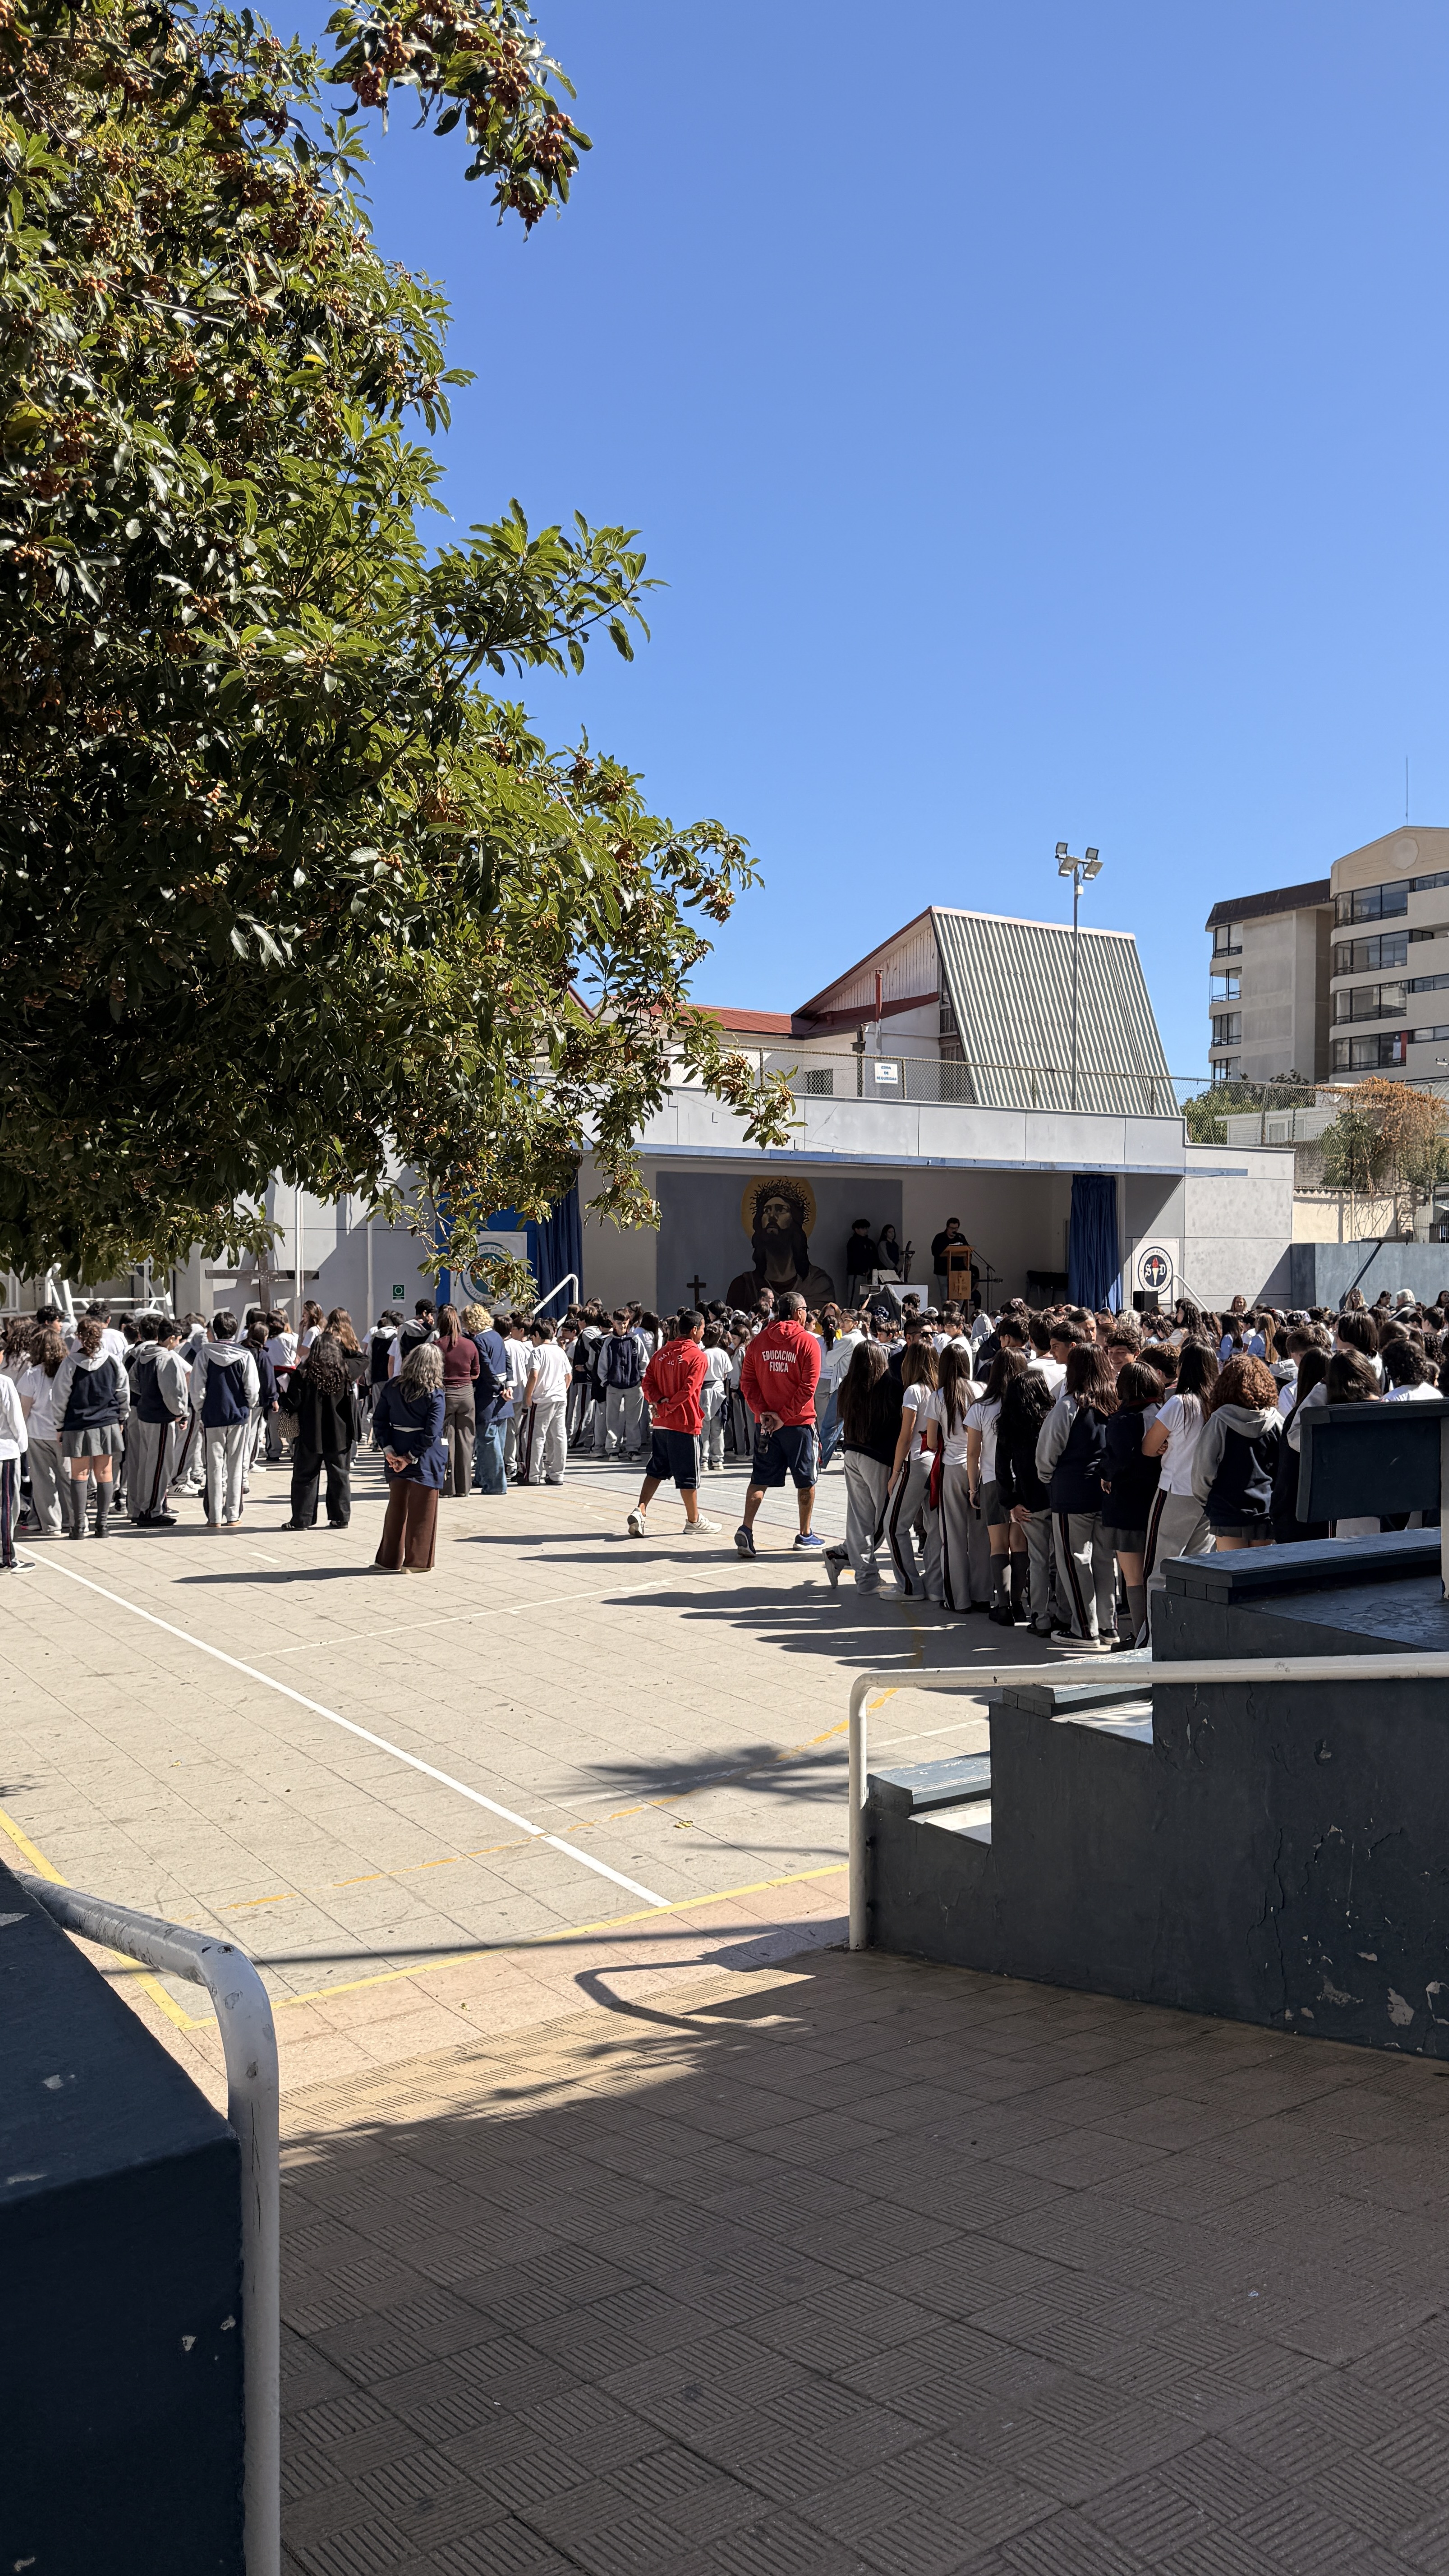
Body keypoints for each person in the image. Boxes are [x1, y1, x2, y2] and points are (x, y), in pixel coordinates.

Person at [1036, 1342, 1118, 1651]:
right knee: (1104, 1561)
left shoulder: (1069, 1405)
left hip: (1072, 1491)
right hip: (1106, 1492)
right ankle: (1108, 1626)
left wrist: (1047, 1478)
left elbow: (1047, 1452)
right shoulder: (1115, 1404)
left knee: (1075, 1561)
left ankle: (1085, 1629)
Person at [736, 1290, 823, 1556]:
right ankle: (805, 1534)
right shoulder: (807, 1342)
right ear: (798, 1313)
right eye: (805, 1309)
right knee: (806, 1481)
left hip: (766, 1424)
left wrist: (763, 1412)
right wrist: (784, 1416)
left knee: (760, 1479)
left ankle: (747, 1528)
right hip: (799, 1424)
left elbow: (747, 1382)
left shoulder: (758, 1341)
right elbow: (808, 1387)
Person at [628, 1311, 720, 1536]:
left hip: (661, 1422)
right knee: (688, 1476)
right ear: (694, 1330)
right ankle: (693, 1520)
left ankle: (641, 1510)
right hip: (684, 1422)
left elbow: (647, 1382)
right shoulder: (697, 1356)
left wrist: (658, 1402)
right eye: (703, 1328)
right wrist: (668, 1405)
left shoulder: (661, 1354)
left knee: (657, 1469)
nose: (704, 1332)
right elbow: (689, 1389)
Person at [1141, 1339, 1219, 1601]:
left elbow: (1148, 1448)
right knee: (1198, 1569)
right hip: (1208, 1493)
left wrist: (1163, 1446)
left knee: (1160, 1570)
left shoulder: (1179, 1403)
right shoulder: (1218, 1403)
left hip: (1175, 1491)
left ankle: (1153, 1626)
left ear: (1183, 1368)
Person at [825, 1340, 901, 1593]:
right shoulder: (890, 1386)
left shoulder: (848, 1385)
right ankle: (860, 1570)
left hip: (852, 1453)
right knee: (883, 1519)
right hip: (878, 1458)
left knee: (861, 1518)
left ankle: (850, 1562)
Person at [1100, 1360, 1164, 1648]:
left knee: (1133, 1576)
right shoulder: (1162, 1412)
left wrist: (1105, 1473)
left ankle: (1140, 1635)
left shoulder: (1123, 1420)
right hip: (1157, 1500)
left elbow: (1118, 1461)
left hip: (1126, 1504)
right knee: (1154, 1572)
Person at [1192, 1353, 1282, 1552]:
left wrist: (1208, 1504)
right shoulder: (1276, 1421)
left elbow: (1203, 1471)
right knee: (1261, 1569)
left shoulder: (1219, 1421)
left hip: (1227, 1512)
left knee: (1231, 1569)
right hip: (1266, 1510)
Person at [53, 1316, 131, 1539]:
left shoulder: (70, 1363)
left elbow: (60, 1397)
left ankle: (78, 1526)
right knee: (105, 1472)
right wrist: (122, 1418)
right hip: (107, 1422)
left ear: (79, 1337)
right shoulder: (113, 1361)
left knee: (80, 1473)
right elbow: (123, 1392)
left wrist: (59, 1425)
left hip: (77, 1423)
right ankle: (103, 1526)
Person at [372, 1341, 446, 1572]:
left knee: (397, 1507)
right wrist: (410, 1456)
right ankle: (417, 1562)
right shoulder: (435, 1393)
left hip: (395, 1448)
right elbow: (432, 1432)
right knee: (424, 1509)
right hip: (424, 1455)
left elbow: (379, 1419)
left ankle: (388, 1560)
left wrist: (389, 1450)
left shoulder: (393, 1385)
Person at [965, 1349, 1026, 1623]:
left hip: (991, 1480)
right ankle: (1019, 1603)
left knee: (998, 1545)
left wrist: (973, 1488)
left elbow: (973, 1453)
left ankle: (1003, 1606)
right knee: (1020, 1543)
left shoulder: (981, 1407)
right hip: (1022, 1482)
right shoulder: (1027, 1403)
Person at [996, 1367, 1058, 1635]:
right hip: (1056, 1498)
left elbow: (1001, 1469)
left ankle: (1040, 1617)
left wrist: (1010, 1503)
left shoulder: (1009, 1425)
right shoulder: (1052, 1419)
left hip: (1027, 1502)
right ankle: (1064, 1613)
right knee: (1062, 1559)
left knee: (1039, 1560)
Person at [189, 1311, 260, 1529]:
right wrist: (248, 1406)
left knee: (214, 1466)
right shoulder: (245, 1355)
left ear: (213, 1331)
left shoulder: (204, 1354)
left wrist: (201, 1410)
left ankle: (214, 1516)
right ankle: (233, 1514)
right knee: (236, 1465)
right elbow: (253, 1389)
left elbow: (197, 1388)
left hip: (213, 1415)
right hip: (238, 1415)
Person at [283, 1330, 357, 1530]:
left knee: (305, 1476)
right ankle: (341, 1517)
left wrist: (283, 1394)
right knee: (340, 1476)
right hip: (339, 1432)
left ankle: (302, 1520)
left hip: (310, 1432)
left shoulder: (304, 1372)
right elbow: (363, 1360)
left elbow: (292, 1403)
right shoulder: (344, 1371)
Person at [126, 1316, 191, 1526]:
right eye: (178, 1340)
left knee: (147, 1464)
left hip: (146, 1413)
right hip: (161, 1417)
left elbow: (132, 1380)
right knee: (160, 1466)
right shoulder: (167, 1358)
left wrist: (146, 1395)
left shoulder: (144, 1354)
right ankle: (151, 1511)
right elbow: (173, 1392)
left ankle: (143, 1507)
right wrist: (180, 1412)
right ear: (171, 1338)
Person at [17, 1323, 68, 1541]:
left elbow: (24, 1410)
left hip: (38, 1434)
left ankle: (52, 1524)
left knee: (44, 1482)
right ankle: (72, 1519)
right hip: (66, 1433)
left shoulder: (32, 1375)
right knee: (69, 1478)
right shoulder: (70, 1371)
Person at [465, 1304, 511, 1495]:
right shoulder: (496, 1336)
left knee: (489, 1445)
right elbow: (507, 1361)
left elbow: (485, 1368)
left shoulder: (479, 1341)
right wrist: (509, 1385)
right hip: (502, 1399)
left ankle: (495, 1485)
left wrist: (500, 1388)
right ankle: (482, 1478)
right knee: (496, 1442)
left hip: (487, 1399)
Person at [434, 1304, 480, 1497]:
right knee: (466, 1441)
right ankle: (464, 1487)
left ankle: (447, 1487)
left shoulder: (437, 1345)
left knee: (446, 1440)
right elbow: (476, 1374)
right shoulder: (470, 1345)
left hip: (445, 1394)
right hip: (467, 1394)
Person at [520, 1317, 570, 1484]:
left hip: (542, 1400)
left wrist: (528, 1397)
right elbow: (568, 1376)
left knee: (536, 1437)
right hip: (560, 1397)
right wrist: (562, 1391)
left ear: (536, 1335)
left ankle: (533, 1475)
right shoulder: (560, 1351)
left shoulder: (538, 1352)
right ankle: (557, 1474)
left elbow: (534, 1375)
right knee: (559, 1436)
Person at [593, 1308, 648, 1458]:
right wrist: (605, 1381)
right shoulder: (609, 1342)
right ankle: (613, 1449)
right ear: (613, 1322)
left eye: (624, 1323)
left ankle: (633, 1448)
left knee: (633, 1419)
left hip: (634, 1385)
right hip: (614, 1386)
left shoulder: (635, 1340)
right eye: (619, 1323)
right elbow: (603, 1363)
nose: (622, 1326)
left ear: (628, 1322)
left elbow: (644, 1361)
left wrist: (641, 1378)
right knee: (612, 1420)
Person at [0, 1362, 30, 1569]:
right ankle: (6, 1558)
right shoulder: (4, 1382)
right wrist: (22, 1447)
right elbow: (15, 1419)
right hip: (5, 1452)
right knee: (7, 1506)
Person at [389, 1299, 437, 1377]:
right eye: (431, 1315)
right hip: (425, 1372)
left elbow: (401, 1349)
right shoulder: (432, 1332)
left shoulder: (403, 1328)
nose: (432, 1318)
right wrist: (431, 1327)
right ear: (424, 1313)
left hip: (406, 1372)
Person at [845, 1218, 878, 1283]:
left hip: (870, 1275)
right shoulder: (853, 1242)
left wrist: (871, 1272)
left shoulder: (870, 1243)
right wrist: (863, 1270)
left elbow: (874, 1258)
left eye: (867, 1228)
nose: (866, 1230)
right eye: (864, 1228)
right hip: (857, 1274)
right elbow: (855, 1258)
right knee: (856, 1289)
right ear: (857, 1230)